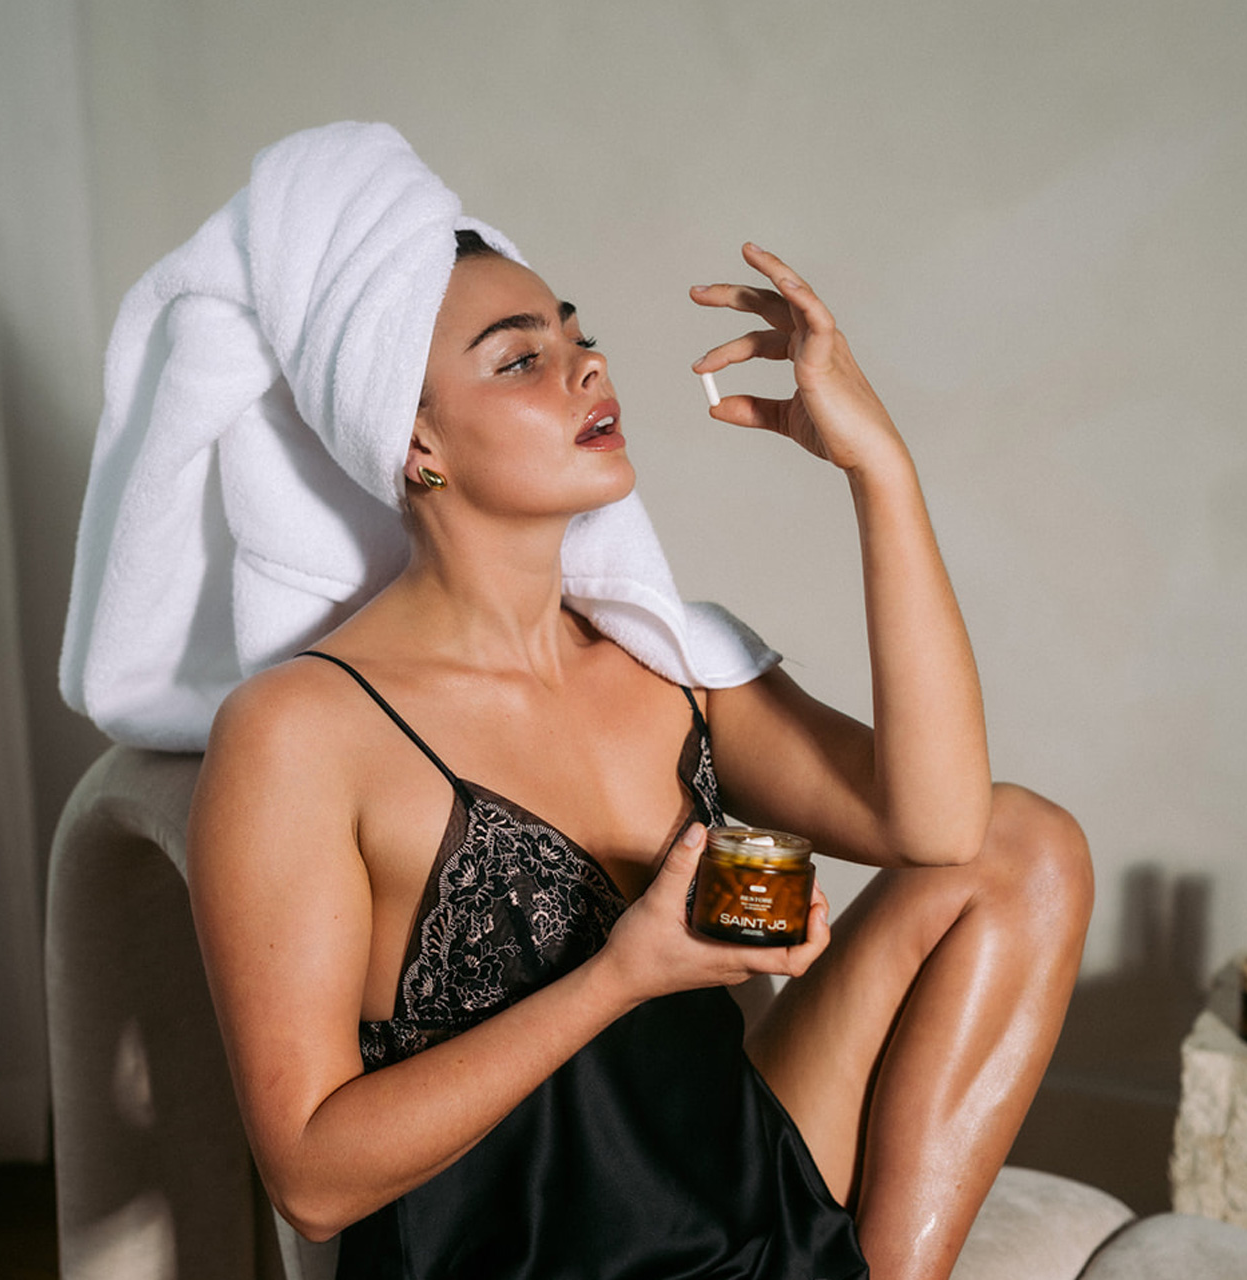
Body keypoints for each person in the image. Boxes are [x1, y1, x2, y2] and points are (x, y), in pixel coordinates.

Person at [183, 214, 1093, 1280]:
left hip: (738, 1202)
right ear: (416, 443)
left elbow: (940, 827)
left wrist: (878, 470)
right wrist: (621, 975)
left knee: (1025, 845)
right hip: (525, 1259)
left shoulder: (669, 659)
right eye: (524, 358)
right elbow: (311, 1177)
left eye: (579, 338)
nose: (587, 366)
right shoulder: (301, 729)